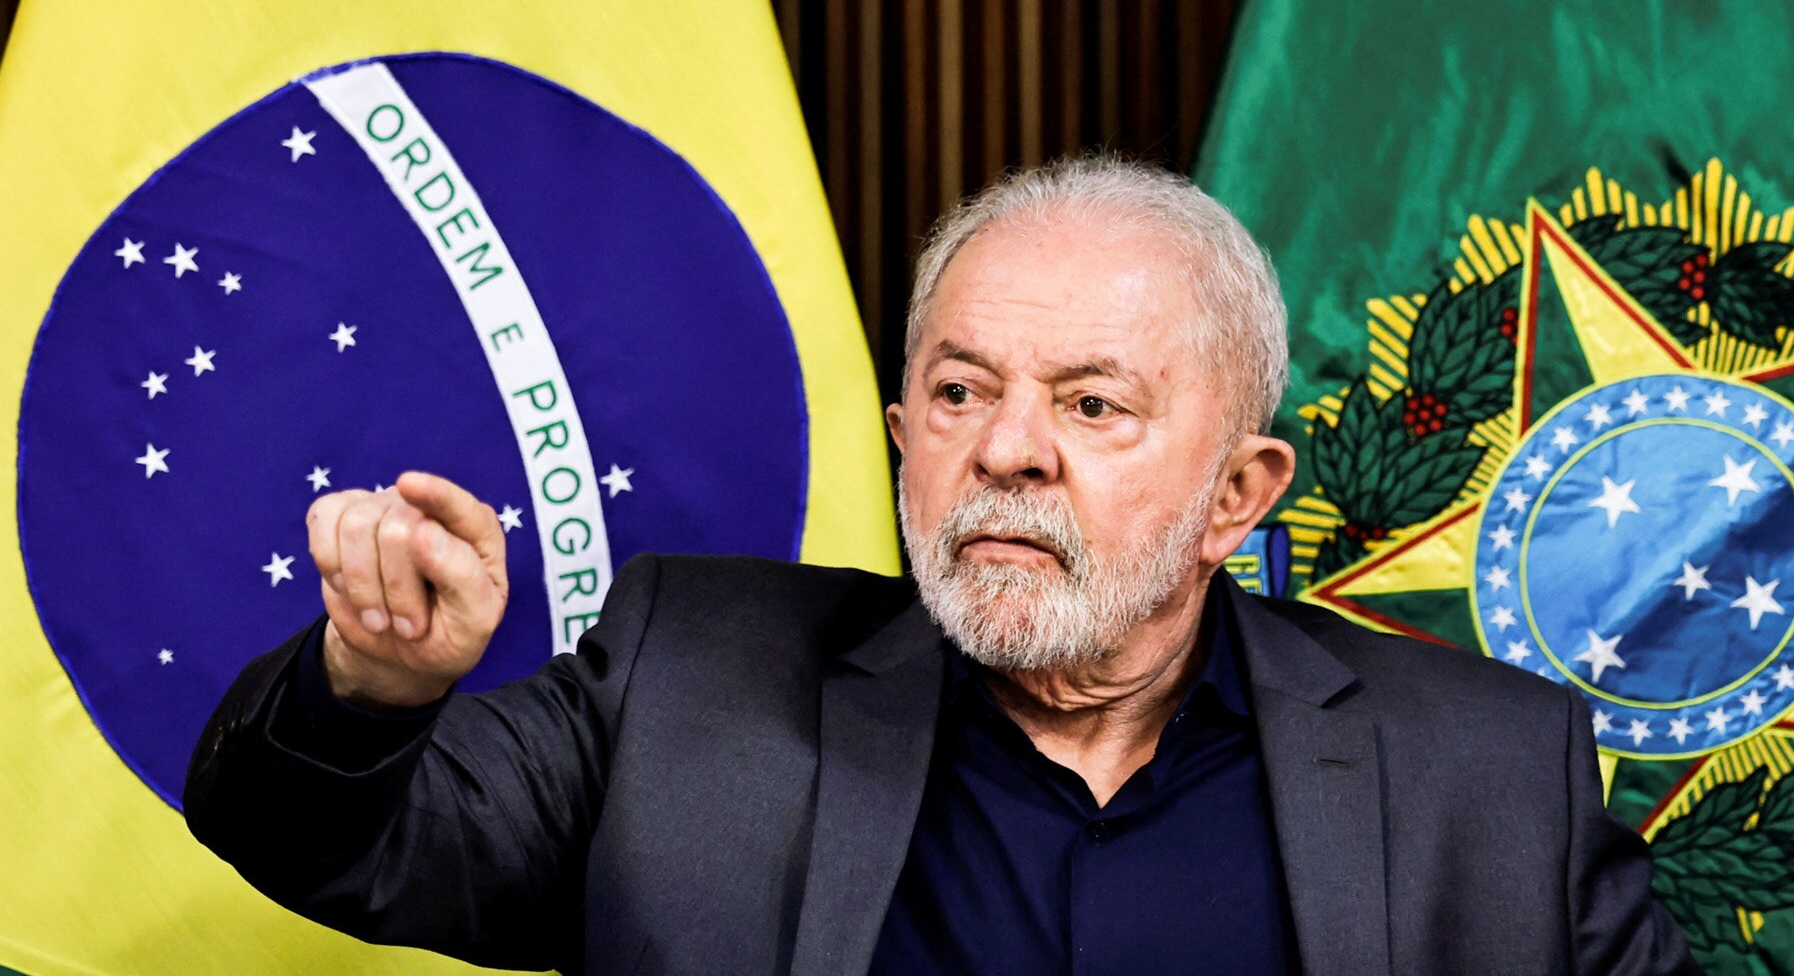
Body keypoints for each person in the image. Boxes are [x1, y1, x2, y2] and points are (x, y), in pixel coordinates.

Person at [186, 156, 1700, 975]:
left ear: (1238, 495)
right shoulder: (679, 682)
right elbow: (316, 844)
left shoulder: (1487, 776)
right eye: (962, 393)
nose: (1009, 451)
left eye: (1093, 405)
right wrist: (370, 685)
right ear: (906, 439)